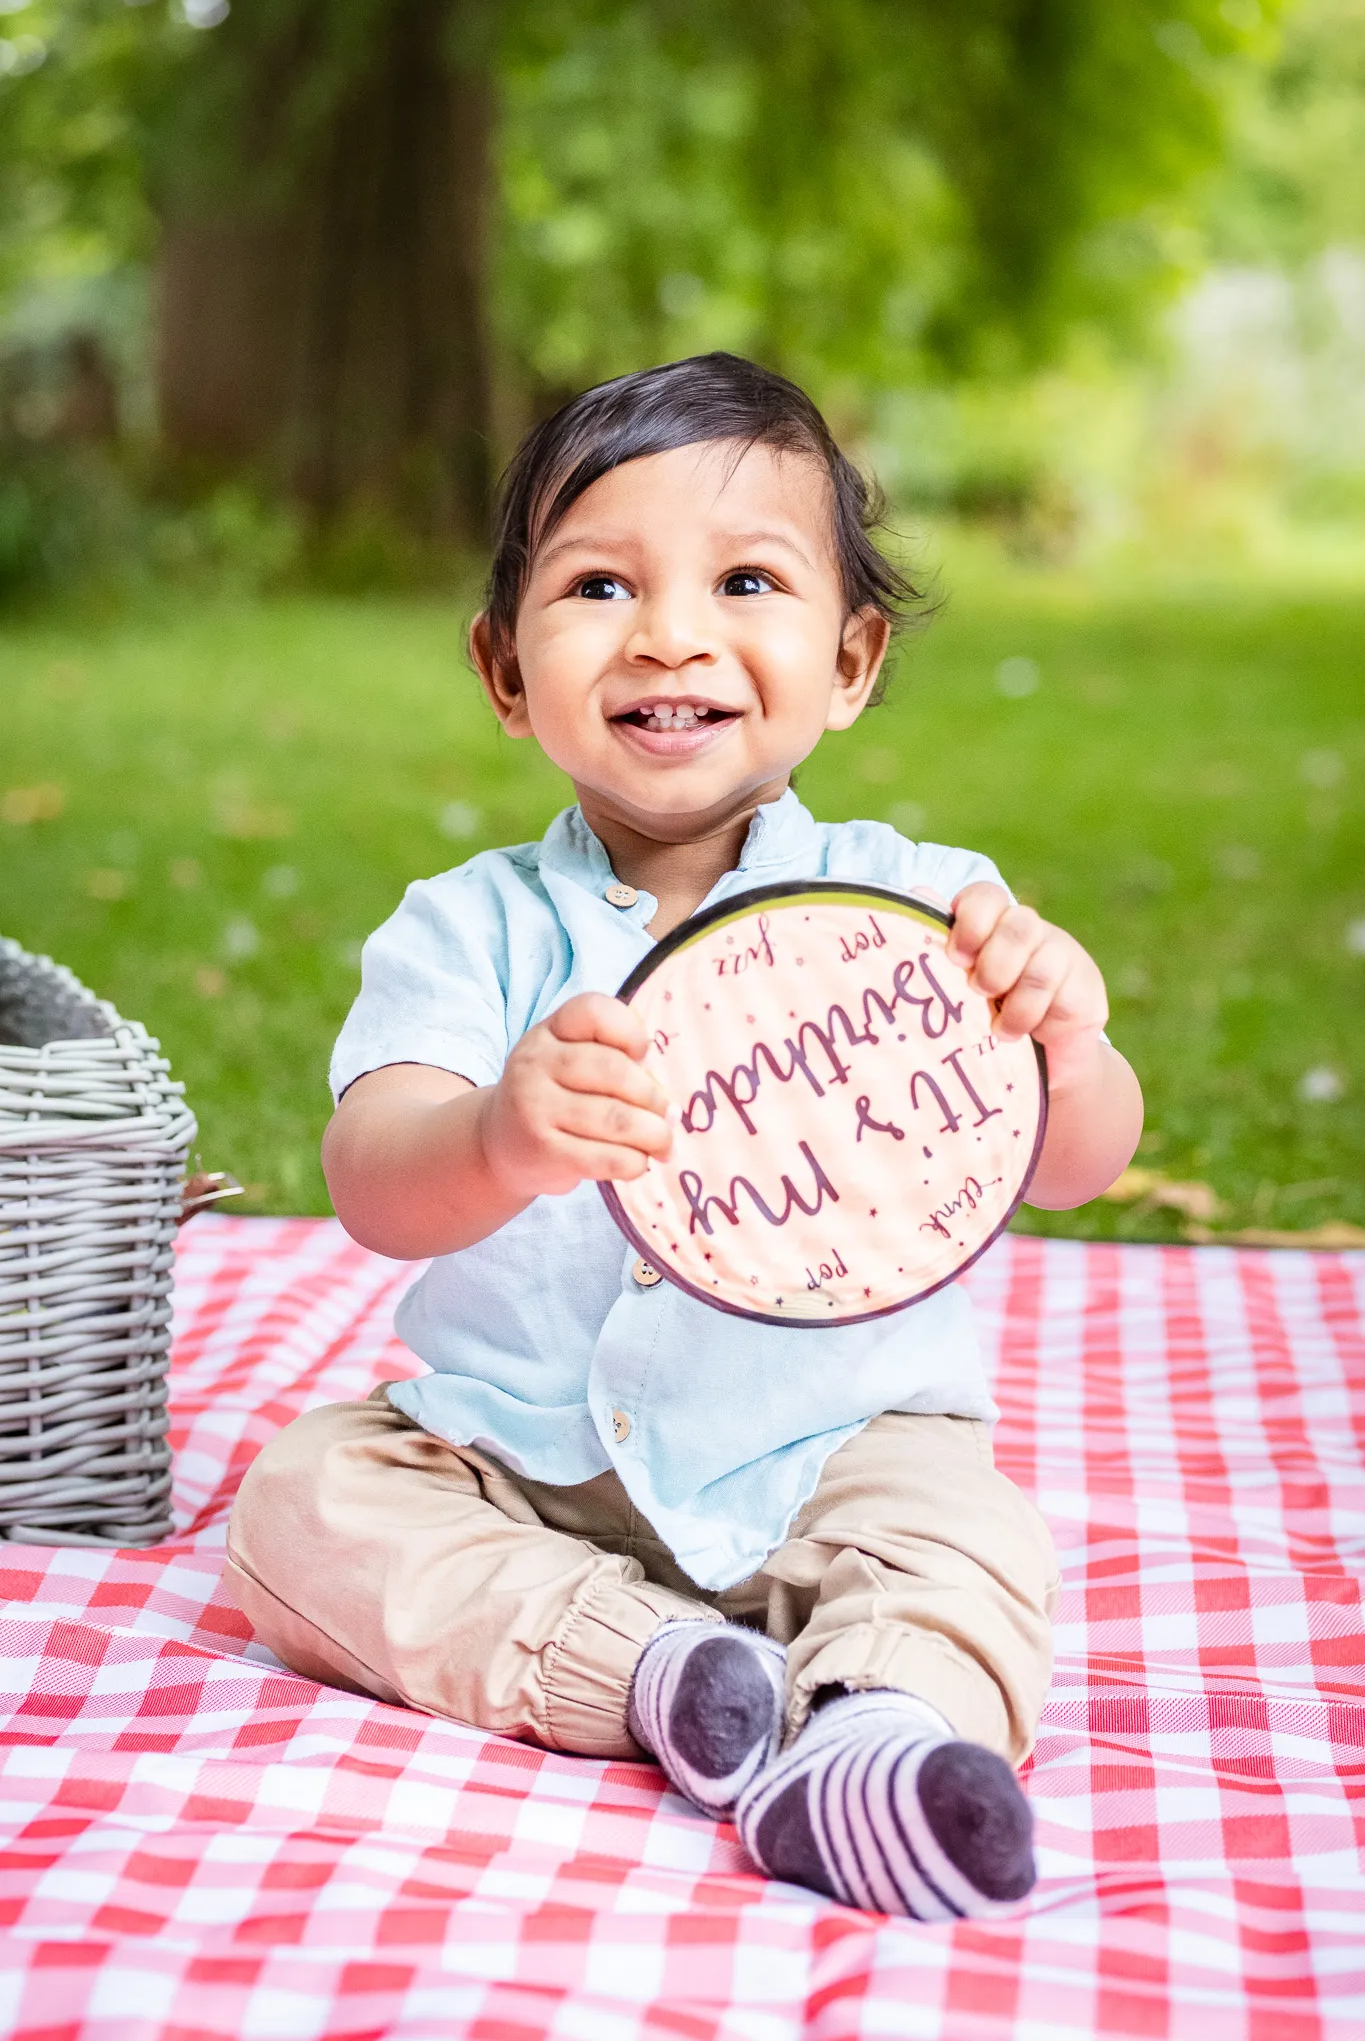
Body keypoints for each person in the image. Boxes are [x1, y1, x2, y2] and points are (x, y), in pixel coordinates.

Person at [226, 353, 1142, 1921]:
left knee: (972, 1542)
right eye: (597, 585)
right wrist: (498, 1136)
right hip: (522, 1461)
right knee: (301, 1501)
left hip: (834, 1447)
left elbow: (1074, 1162)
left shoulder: (918, 911)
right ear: (506, 671)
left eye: (744, 579)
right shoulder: (468, 932)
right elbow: (371, 1182)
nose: (670, 634)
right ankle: (658, 1674)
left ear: (849, 660)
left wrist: (1066, 1037)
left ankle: (878, 1742)